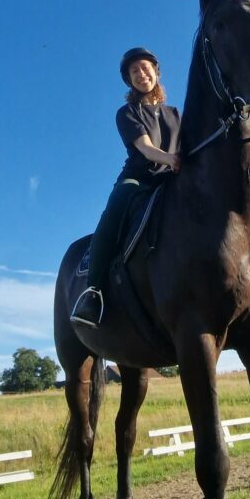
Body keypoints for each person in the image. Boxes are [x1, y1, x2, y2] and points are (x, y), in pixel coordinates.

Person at [71, 47, 181, 327]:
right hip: (139, 179)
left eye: (145, 68)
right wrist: (170, 159)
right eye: (134, 72)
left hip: (172, 179)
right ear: (129, 80)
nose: (141, 74)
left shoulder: (175, 114)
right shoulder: (127, 112)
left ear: (156, 72)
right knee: (118, 203)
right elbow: (145, 147)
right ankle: (93, 291)